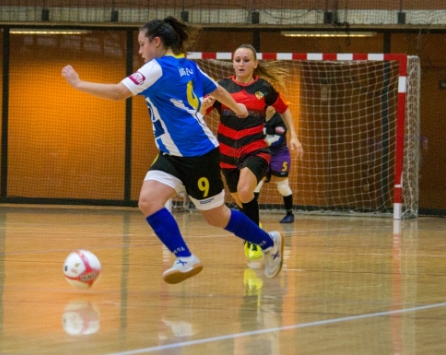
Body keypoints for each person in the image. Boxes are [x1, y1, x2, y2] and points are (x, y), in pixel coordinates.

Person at [61, 17, 284, 284]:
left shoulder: (156, 68)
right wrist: (237, 107)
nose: (140, 51)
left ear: (157, 42)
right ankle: (185, 257)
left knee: (217, 217)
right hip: (170, 153)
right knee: (148, 201)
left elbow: (118, 92)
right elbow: (216, 88)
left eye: (143, 44)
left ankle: (268, 242)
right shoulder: (188, 66)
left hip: (197, 153)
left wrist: (78, 84)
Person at [200, 44, 301, 267]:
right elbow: (199, 112)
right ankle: (256, 229)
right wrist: (203, 105)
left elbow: (283, 109)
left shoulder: (264, 88)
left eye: (246, 60)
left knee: (246, 191)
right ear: (232, 63)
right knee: (241, 201)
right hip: (226, 154)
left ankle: (254, 241)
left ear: (255, 64)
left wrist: (293, 135)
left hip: (256, 149)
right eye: (237, 60)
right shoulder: (221, 88)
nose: (241, 64)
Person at [258, 107, 296, 223]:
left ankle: (289, 214)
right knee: (255, 185)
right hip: (263, 154)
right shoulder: (258, 116)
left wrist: (262, 142)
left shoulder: (280, 119)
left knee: (283, 187)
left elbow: (278, 139)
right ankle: (250, 214)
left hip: (280, 155)